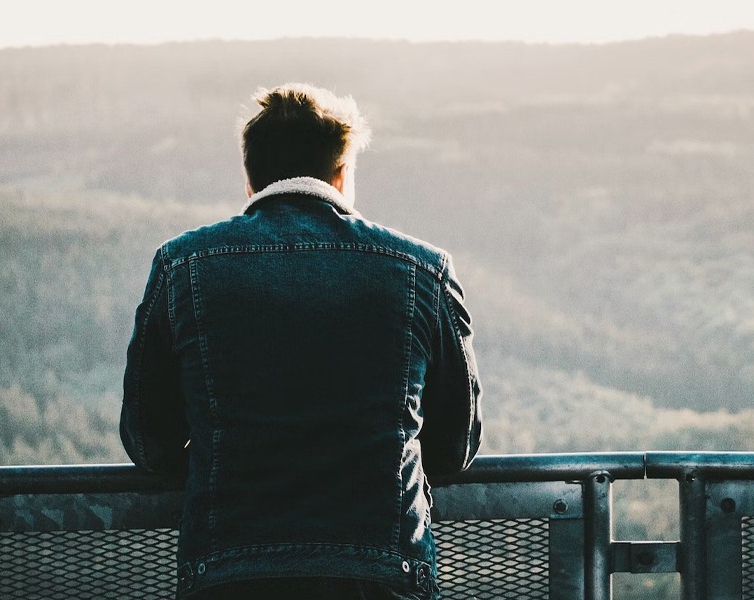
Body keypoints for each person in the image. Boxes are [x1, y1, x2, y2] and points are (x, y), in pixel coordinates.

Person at [120, 83, 483, 599]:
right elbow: (455, 447)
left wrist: (217, 456)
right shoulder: (422, 270)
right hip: (381, 576)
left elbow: (149, 442)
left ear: (251, 180)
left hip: (231, 574)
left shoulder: (183, 267)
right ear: (342, 176)